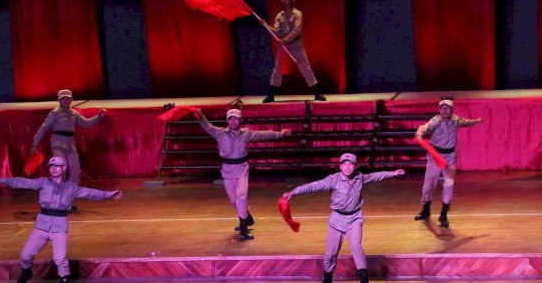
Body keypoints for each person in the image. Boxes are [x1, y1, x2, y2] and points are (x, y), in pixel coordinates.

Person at [0, 156, 123, 283]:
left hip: (60, 226)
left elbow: (90, 193)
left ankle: (64, 280)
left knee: (60, 260)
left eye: (57, 166)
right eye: (51, 166)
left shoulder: (71, 187)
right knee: (25, 256)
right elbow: (22, 182)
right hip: (42, 225)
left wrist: (109, 195)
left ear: (63, 168)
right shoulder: (43, 182)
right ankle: (26, 273)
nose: (54, 168)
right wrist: (2, 180)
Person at [283, 153, 405, 283]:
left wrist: (393, 173)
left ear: (355, 166)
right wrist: (294, 192)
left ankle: (364, 278)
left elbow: (375, 176)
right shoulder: (333, 180)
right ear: (340, 166)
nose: (347, 167)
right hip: (337, 219)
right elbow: (314, 186)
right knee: (331, 253)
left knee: (356, 246)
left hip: (354, 218)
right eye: (344, 164)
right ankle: (328, 278)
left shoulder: (359, 177)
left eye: (350, 164)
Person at [195, 108, 291, 240]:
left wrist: (280, 134)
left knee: (241, 197)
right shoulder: (220, 133)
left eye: (236, 119)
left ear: (241, 120)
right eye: (230, 119)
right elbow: (207, 126)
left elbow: (262, 134)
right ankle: (247, 217)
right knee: (234, 201)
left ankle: (243, 227)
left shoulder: (246, 133)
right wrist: (200, 117)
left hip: (241, 169)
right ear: (227, 121)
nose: (233, 121)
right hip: (227, 170)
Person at [413, 98, 483, 228]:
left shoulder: (456, 120)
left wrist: (476, 121)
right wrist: (419, 133)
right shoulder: (435, 121)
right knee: (428, 186)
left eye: (447, 108)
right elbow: (425, 127)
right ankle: (426, 210)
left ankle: (443, 214)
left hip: (449, 158)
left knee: (449, 185)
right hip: (435, 157)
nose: (444, 110)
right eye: (442, 108)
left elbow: (466, 123)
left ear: (452, 110)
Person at [260, 0, 326, 103]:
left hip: (296, 45)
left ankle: (317, 94)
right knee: (277, 69)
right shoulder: (279, 16)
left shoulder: (298, 14)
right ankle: (270, 95)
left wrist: (285, 39)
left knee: (305, 68)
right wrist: (265, 25)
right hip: (283, 46)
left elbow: (297, 30)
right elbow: (277, 31)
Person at [31, 89, 106, 186]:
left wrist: (98, 117)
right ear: (59, 100)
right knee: (61, 166)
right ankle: (55, 189)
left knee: (76, 170)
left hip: (71, 144)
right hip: (58, 143)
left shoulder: (74, 113)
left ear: (71, 100)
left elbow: (86, 123)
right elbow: (43, 128)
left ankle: (70, 190)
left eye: (67, 99)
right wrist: (34, 145)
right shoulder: (55, 113)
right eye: (63, 99)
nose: (65, 101)